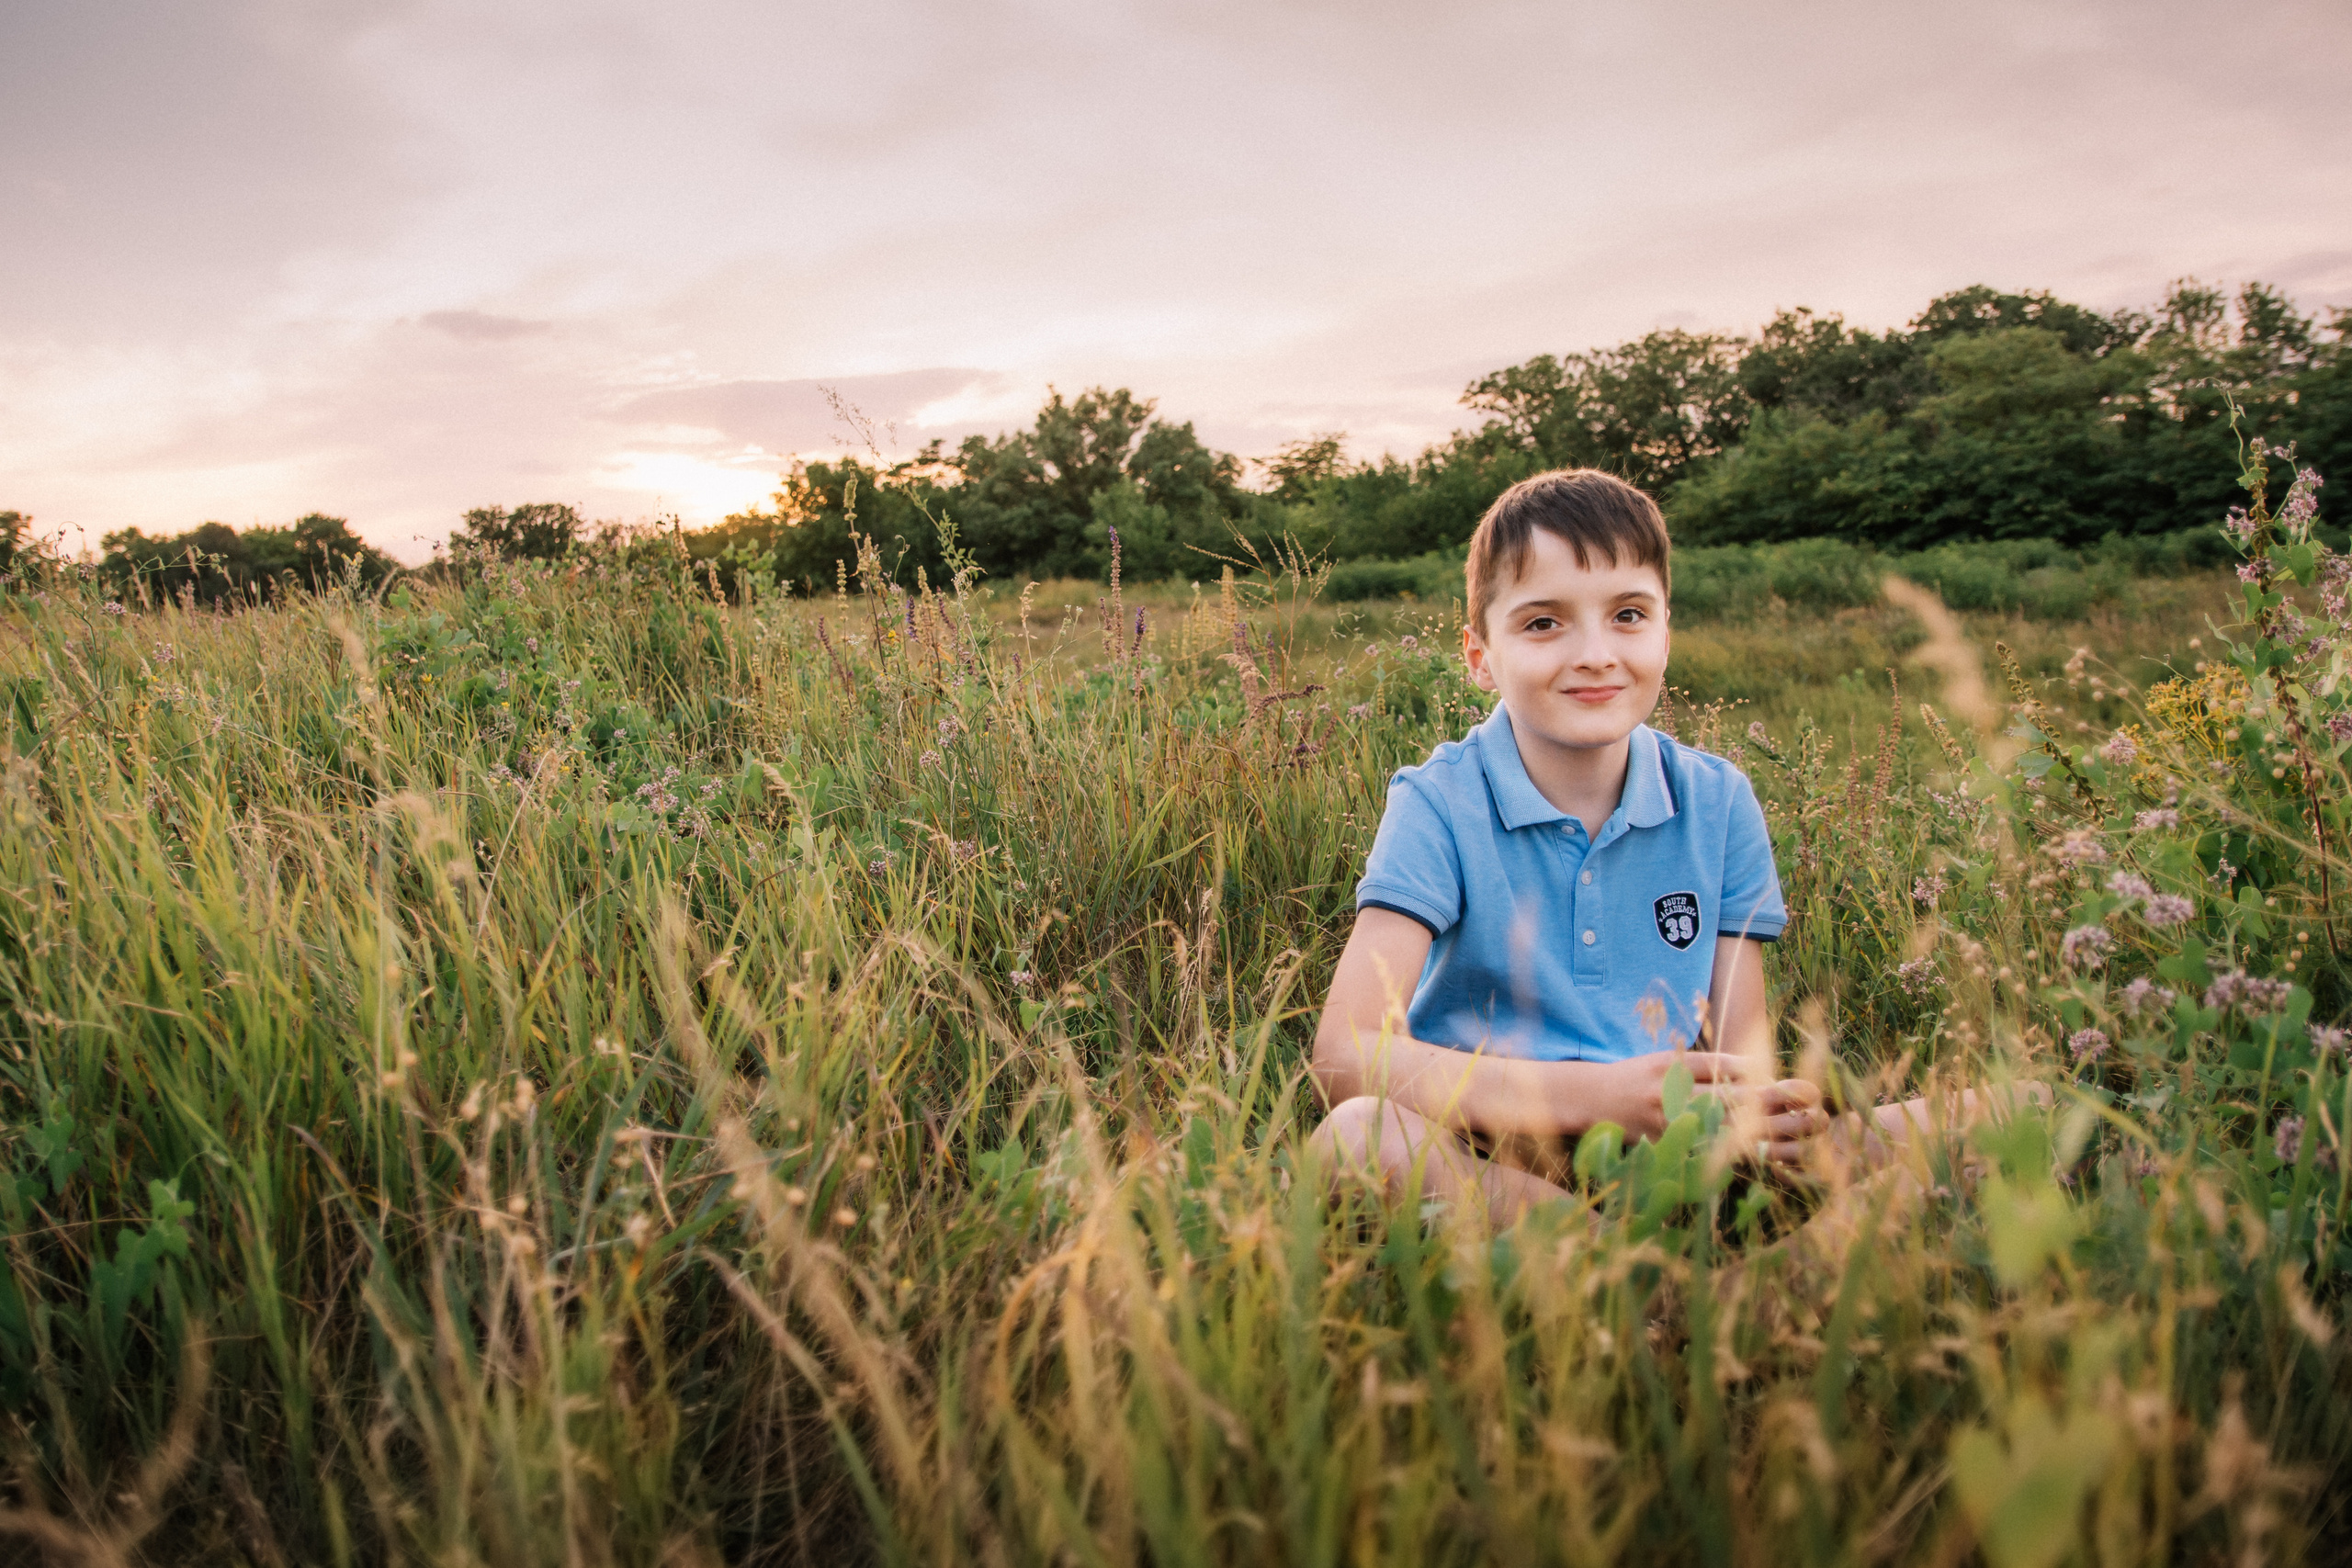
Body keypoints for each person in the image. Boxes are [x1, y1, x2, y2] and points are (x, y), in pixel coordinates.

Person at [1308, 468, 2030, 1225]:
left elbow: (1735, 1047)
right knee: (1353, 1137)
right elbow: (1343, 1055)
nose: (1595, 653)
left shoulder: (1717, 801)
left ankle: (1758, 1279)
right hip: (1491, 1144)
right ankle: (1644, 1290)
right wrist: (1596, 1099)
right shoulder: (1438, 800)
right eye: (1543, 623)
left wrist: (1762, 1107)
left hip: (1675, 1146)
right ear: (1480, 654)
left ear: (1665, 630)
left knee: (2026, 1106)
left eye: (1628, 614)